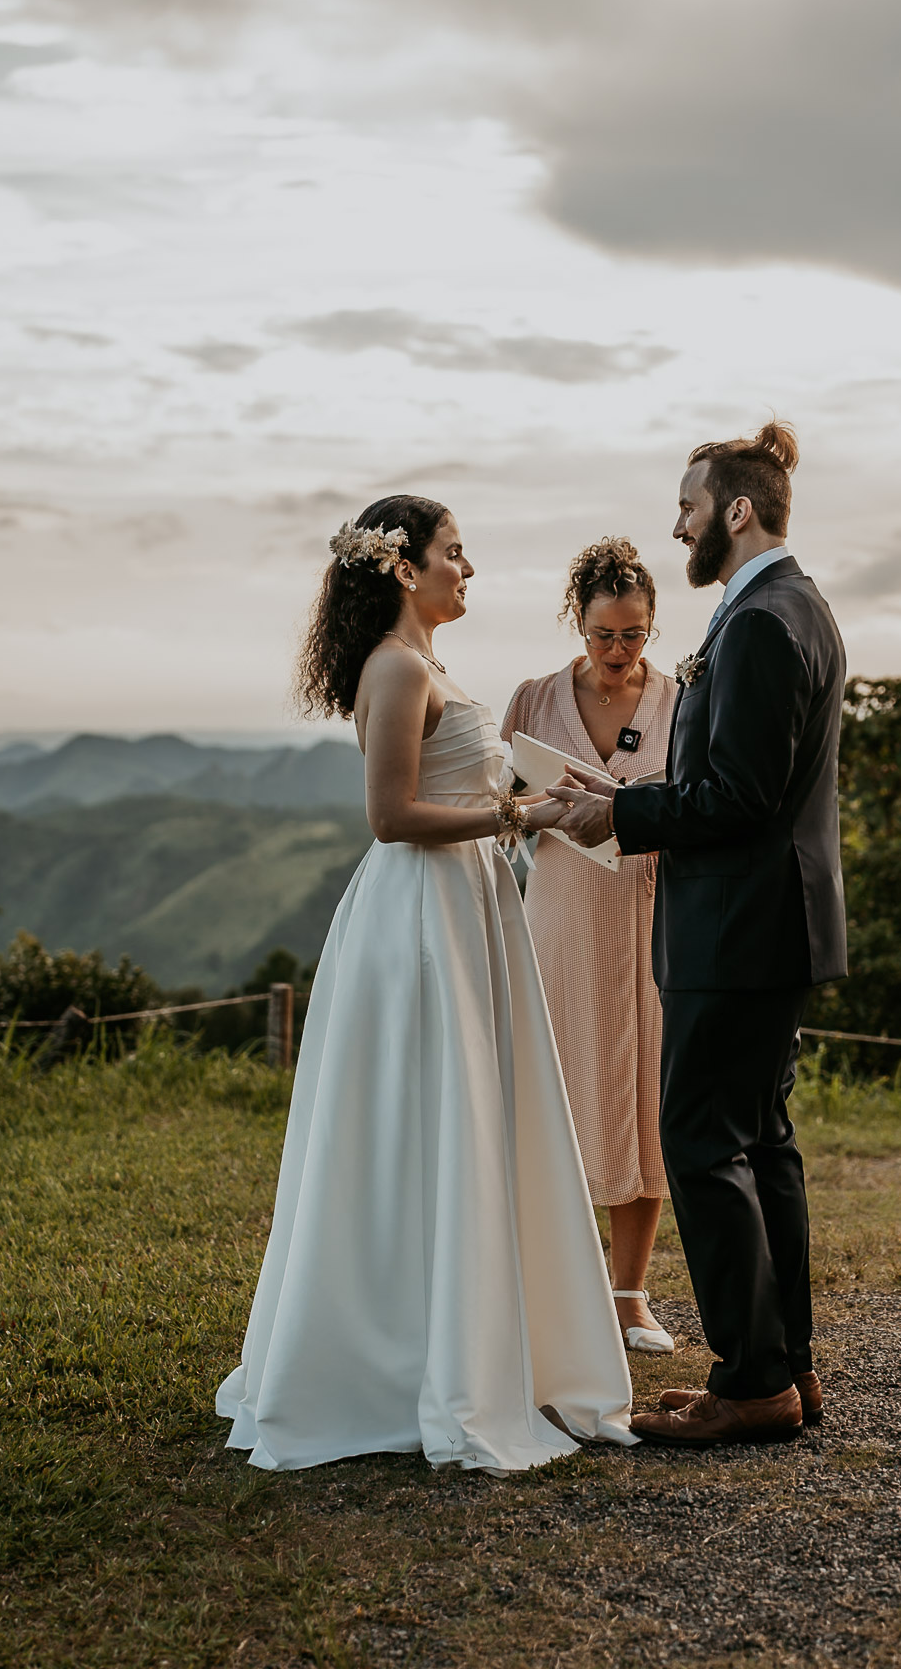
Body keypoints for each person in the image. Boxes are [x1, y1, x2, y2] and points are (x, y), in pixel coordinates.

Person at [216, 496, 636, 1475]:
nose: (468, 568)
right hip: (420, 920)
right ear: (404, 568)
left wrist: (532, 807)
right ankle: (403, 1355)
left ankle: (458, 1338)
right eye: (455, 552)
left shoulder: (424, 664)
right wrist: (521, 817)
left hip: (463, 908)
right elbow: (393, 815)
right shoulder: (398, 668)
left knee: (459, 1124)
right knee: (421, 1124)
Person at [547, 421, 847, 1447]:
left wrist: (620, 816)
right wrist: (630, 799)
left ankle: (751, 1379)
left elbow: (743, 797)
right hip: (773, 923)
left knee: (703, 1142)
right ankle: (786, 1369)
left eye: (686, 507)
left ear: (736, 510)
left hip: (740, 925)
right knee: (762, 1145)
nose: (676, 526)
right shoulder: (792, 605)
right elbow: (738, 784)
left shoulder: (761, 619)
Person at [501, 539, 678, 1355]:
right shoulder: (534, 699)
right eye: (603, 634)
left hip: (648, 917)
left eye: (633, 635)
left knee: (643, 1103)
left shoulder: (679, 701)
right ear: (578, 623)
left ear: (652, 627)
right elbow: (495, 809)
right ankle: (549, 1287)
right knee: (558, 1094)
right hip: (561, 918)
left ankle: (627, 1295)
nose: (617, 652)